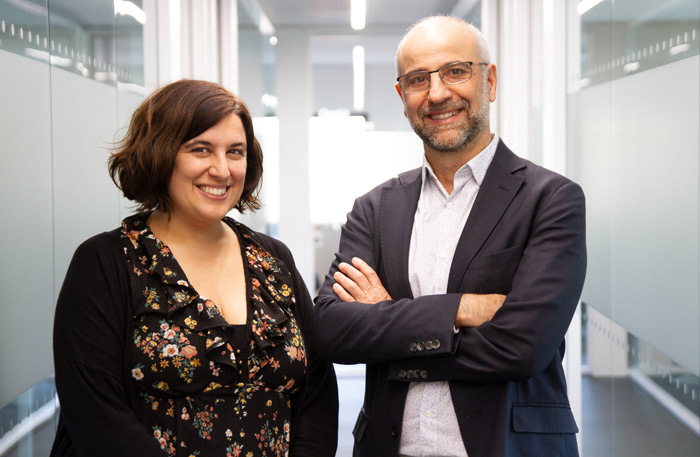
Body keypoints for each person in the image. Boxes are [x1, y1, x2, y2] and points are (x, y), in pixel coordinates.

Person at [314, 16, 586, 457]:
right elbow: (331, 331)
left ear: (489, 80)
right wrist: (463, 309)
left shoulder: (551, 200)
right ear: (403, 98)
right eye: (419, 79)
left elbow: (524, 348)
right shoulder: (374, 209)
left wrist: (386, 320)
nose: (438, 93)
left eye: (455, 71)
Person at [50, 79, 338, 457]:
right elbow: (95, 412)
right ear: (160, 153)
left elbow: (316, 389)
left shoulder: (273, 260)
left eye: (235, 152)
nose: (222, 170)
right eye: (201, 149)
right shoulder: (106, 263)